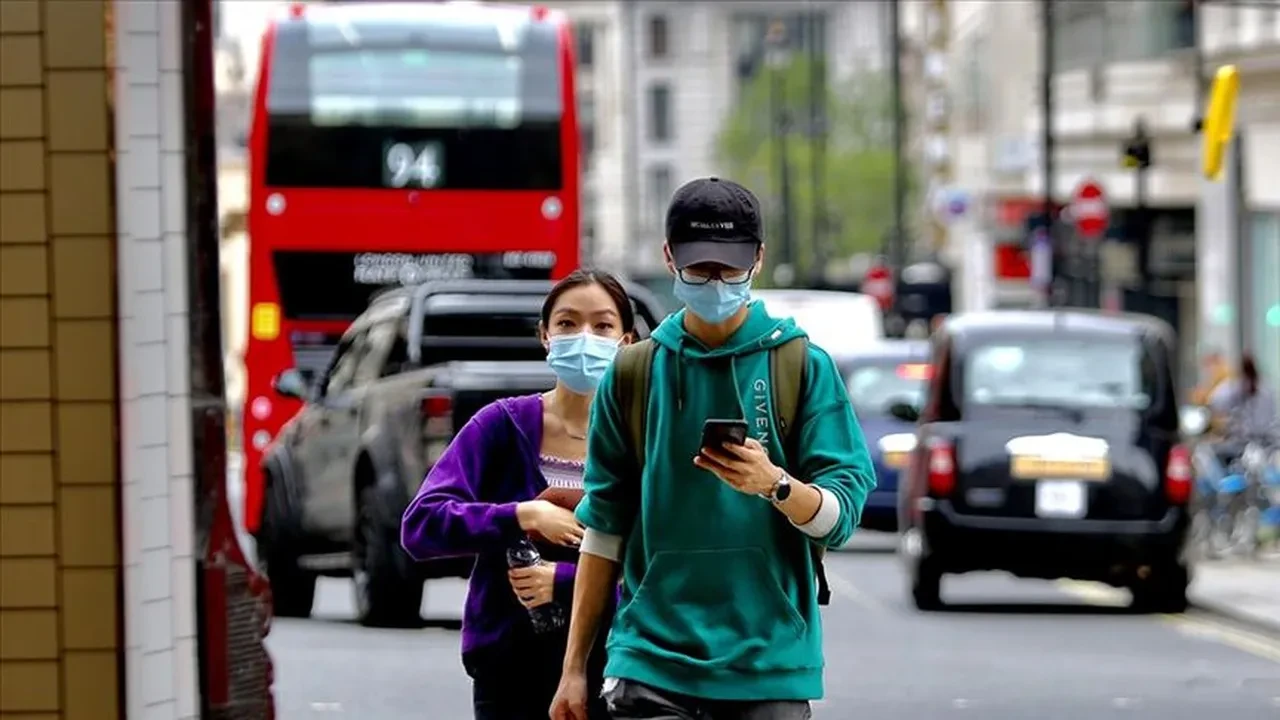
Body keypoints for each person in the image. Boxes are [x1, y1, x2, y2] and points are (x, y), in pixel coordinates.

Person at [550, 177, 876, 720]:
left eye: (731, 268)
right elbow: (604, 532)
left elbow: (841, 518)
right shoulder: (634, 373)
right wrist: (573, 668)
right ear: (670, 258)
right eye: (701, 268)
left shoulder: (801, 365)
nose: (717, 281)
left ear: (759, 259)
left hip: (769, 663)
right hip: (649, 658)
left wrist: (775, 484)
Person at [400, 269, 634, 720]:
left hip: (621, 669)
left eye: (602, 325)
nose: (584, 337)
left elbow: (670, 567)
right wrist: (521, 515)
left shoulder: (645, 438)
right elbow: (421, 524)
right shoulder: (501, 425)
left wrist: (562, 581)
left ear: (625, 341)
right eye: (567, 324)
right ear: (545, 336)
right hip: (509, 669)